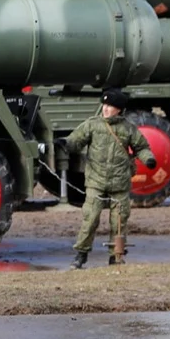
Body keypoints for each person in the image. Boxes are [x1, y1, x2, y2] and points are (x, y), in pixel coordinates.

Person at [58, 88, 156, 269]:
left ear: (119, 109)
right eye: (104, 105)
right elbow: (77, 140)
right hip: (96, 181)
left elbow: (141, 147)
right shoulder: (92, 125)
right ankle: (81, 254)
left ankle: (116, 256)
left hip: (120, 183)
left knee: (119, 221)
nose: (105, 109)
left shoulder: (128, 129)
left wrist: (148, 159)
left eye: (110, 106)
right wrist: (66, 143)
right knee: (90, 218)